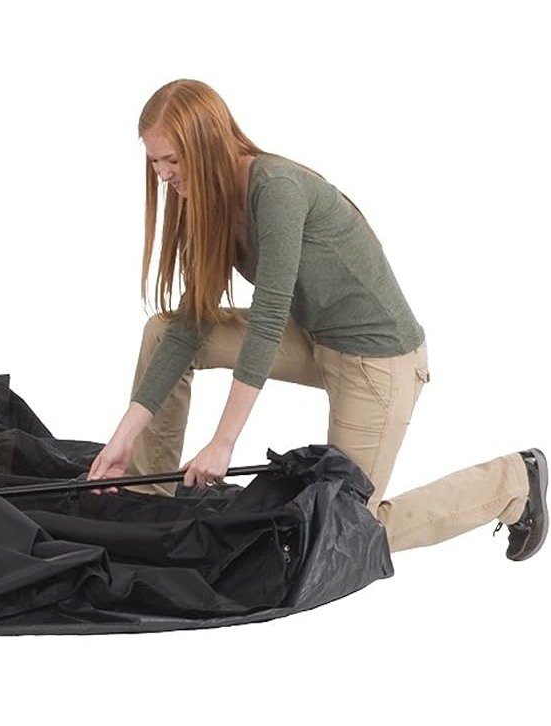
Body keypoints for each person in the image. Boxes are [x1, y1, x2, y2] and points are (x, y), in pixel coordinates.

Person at [87, 79, 545, 560]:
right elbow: (190, 325)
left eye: (173, 161)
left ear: (207, 147)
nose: (163, 175)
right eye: (154, 162)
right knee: (165, 331)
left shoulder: (276, 188)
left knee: (339, 535)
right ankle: (147, 500)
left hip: (376, 360)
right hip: (313, 339)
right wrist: (122, 440)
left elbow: (269, 316)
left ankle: (512, 481)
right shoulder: (205, 199)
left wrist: (222, 443)